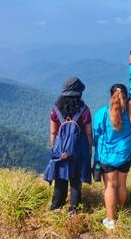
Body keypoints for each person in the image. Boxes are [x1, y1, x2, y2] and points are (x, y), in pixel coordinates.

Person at [93, 50, 131, 230]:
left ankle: (111, 220)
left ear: (111, 95)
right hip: (125, 155)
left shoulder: (102, 114)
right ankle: (121, 212)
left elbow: (96, 136)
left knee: (110, 186)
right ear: (127, 96)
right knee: (122, 184)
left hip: (107, 156)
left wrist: (96, 155)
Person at [44, 77, 93, 214]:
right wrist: (88, 149)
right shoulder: (84, 110)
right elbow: (88, 133)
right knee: (76, 179)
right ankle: (74, 209)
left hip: (61, 149)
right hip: (79, 148)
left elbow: (53, 132)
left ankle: (56, 205)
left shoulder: (55, 109)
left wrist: (56, 149)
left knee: (60, 177)